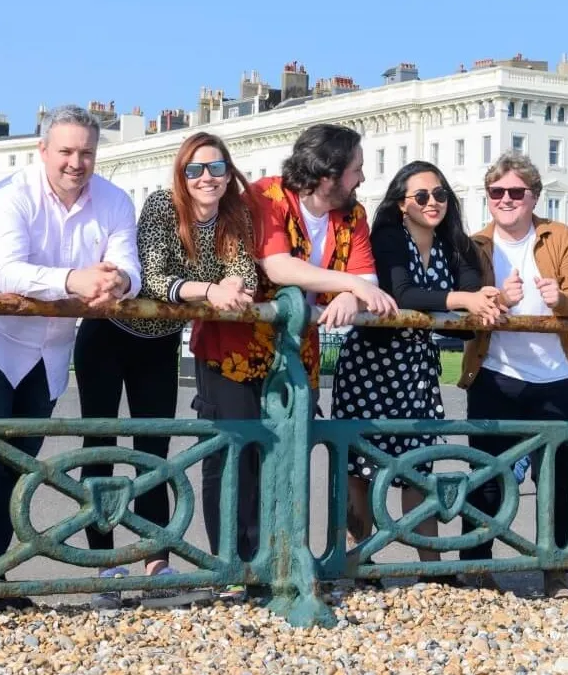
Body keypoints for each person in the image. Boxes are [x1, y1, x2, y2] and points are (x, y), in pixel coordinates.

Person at [0, 104, 141, 614]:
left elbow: (129, 265)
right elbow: (9, 272)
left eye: (86, 152)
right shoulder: (8, 194)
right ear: (42, 151)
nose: (76, 162)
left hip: (49, 356)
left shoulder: (114, 200)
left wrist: (119, 281)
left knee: (18, 470)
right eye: (65, 151)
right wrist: (76, 280)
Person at [189, 124, 396, 572]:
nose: (362, 178)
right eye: (356, 170)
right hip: (233, 350)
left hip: (295, 355)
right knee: (234, 457)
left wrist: (349, 294)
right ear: (327, 175)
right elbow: (278, 266)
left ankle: (276, 562)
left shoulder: (353, 216)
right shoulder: (267, 197)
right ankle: (231, 565)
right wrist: (349, 283)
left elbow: (369, 279)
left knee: (287, 455)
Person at [76, 133, 257, 609]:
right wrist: (210, 290)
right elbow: (153, 277)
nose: (206, 178)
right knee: (100, 445)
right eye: (195, 170)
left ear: (228, 172)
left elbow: (247, 273)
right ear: (181, 174)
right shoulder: (161, 205)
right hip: (111, 332)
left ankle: (155, 559)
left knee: (154, 449)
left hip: (158, 343)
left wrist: (233, 281)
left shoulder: (234, 214)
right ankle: (105, 564)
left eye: (216, 168)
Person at [332, 161, 504, 584]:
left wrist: (482, 297)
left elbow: (468, 297)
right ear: (401, 203)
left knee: (419, 463)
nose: (433, 203)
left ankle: (432, 566)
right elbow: (403, 293)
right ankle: (358, 559)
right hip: (371, 364)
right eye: (422, 196)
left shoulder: (456, 244)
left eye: (440, 195)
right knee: (361, 466)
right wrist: (465, 297)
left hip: (417, 369)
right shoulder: (388, 237)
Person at [456, 151, 568, 598]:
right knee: (487, 476)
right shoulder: (475, 245)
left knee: (557, 478)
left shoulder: (561, 236)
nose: (507, 199)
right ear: (488, 197)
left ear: (533, 196)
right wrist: (503, 301)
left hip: (555, 374)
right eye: (498, 192)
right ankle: (477, 569)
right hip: (496, 372)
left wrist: (561, 300)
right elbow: (466, 310)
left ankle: (556, 572)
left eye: (517, 192)